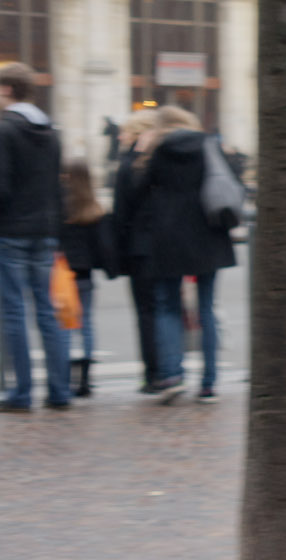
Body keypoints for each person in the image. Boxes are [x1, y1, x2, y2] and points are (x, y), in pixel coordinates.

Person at [122, 106, 237, 404]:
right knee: (206, 308)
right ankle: (209, 383)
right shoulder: (209, 144)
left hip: (169, 235)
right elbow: (230, 179)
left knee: (167, 305)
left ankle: (173, 375)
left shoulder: (158, 150)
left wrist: (140, 154)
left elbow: (136, 193)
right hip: (208, 233)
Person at [0, 62, 69, 412]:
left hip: (11, 231)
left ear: (8, 90)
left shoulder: (5, 130)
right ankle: (59, 391)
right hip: (44, 231)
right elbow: (57, 186)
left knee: (13, 312)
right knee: (47, 311)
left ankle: (22, 392)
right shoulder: (51, 130)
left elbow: (2, 186)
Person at [111, 109, 162, 392]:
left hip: (140, 248)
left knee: (146, 311)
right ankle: (169, 370)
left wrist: (118, 253)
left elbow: (122, 212)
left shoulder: (130, 164)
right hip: (166, 245)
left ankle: (152, 374)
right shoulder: (164, 161)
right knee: (166, 309)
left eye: (125, 130)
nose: (120, 136)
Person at [59, 158, 115, 398]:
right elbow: (102, 246)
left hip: (62, 275)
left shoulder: (61, 207)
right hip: (85, 274)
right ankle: (85, 379)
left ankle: (64, 377)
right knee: (87, 324)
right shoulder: (92, 208)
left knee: (64, 325)